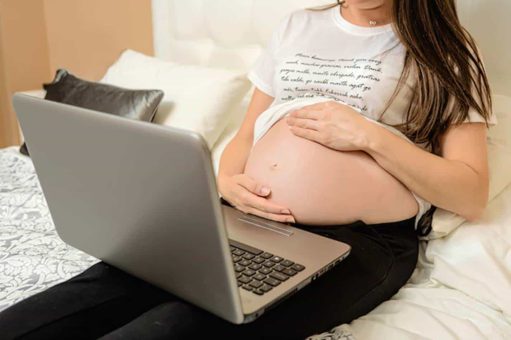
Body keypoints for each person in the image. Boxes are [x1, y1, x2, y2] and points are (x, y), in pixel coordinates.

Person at [0, 0, 497, 339]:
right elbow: (245, 135)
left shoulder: (445, 50)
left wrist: (369, 135)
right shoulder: (300, 25)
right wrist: (226, 182)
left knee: (176, 326)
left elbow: (471, 192)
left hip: (359, 242)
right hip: (241, 213)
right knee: (89, 293)